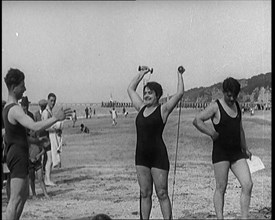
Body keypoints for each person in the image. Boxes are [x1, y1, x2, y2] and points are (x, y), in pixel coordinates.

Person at [3, 68, 71, 220]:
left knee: (24, 195)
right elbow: (33, 126)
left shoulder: (8, 108)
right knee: (15, 199)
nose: (25, 88)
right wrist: (56, 118)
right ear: (14, 88)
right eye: (22, 85)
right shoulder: (14, 109)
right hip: (18, 155)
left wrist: (36, 141)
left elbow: (16, 136)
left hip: (18, 152)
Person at [127, 65, 184, 219]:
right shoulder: (140, 108)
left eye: (150, 93)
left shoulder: (163, 110)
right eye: (145, 93)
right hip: (141, 157)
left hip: (158, 156)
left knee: (162, 193)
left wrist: (179, 74)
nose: (146, 96)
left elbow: (179, 93)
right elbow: (131, 89)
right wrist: (142, 73)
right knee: (145, 193)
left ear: (157, 95)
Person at [192, 77, 253, 219]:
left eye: (234, 95)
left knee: (248, 184)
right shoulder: (215, 106)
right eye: (229, 95)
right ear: (223, 92)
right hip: (221, 153)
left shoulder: (237, 106)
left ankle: (244, 217)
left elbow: (240, 129)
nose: (231, 98)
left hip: (237, 152)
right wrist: (211, 133)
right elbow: (197, 120)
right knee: (221, 187)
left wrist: (245, 148)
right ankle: (220, 218)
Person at [42, 93, 63, 185]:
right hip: (46, 138)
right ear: (47, 100)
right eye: (51, 101)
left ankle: (47, 179)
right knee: (49, 159)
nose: (53, 103)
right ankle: (47, 179)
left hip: (49, 138)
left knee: (49, 159)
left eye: (54, 101)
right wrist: (55, 129)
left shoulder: (49, 111)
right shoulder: (46, 112)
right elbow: (44, 127)